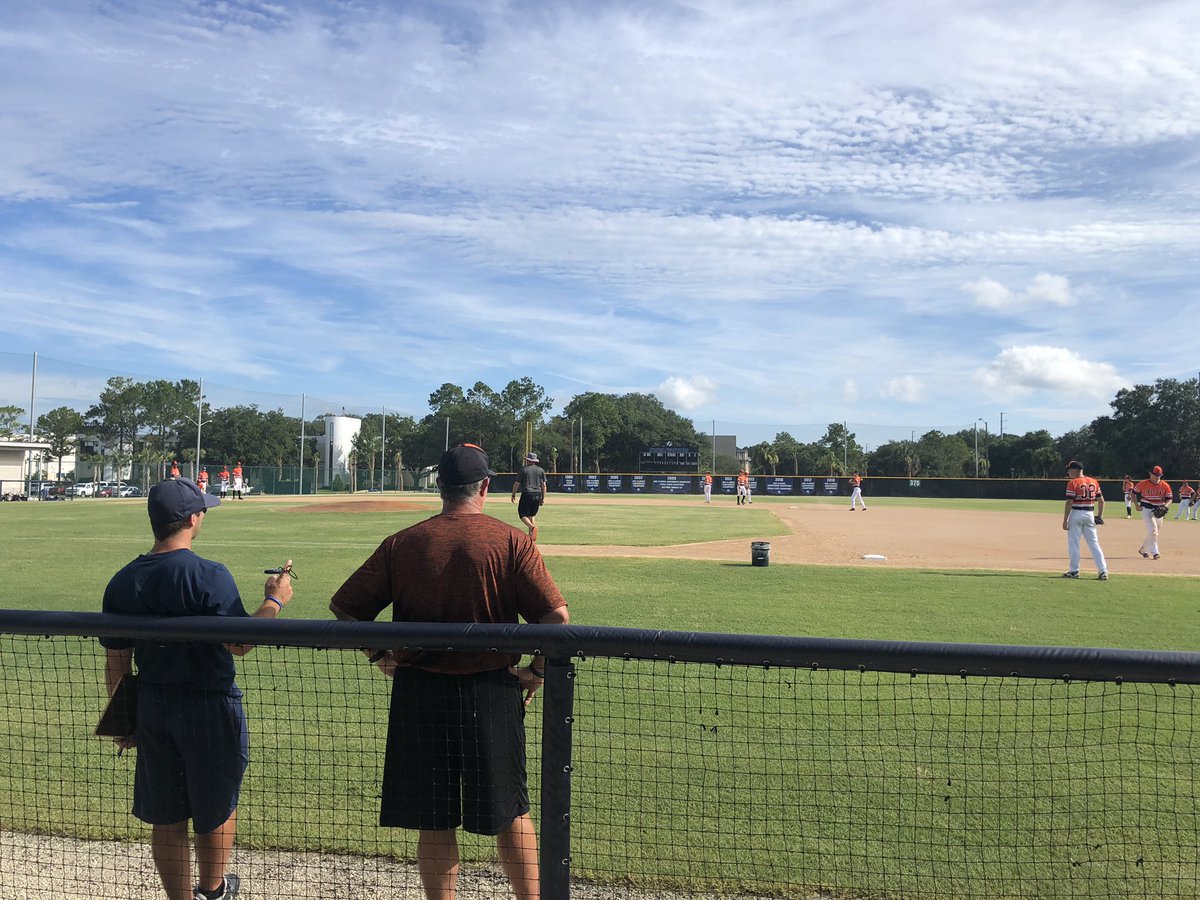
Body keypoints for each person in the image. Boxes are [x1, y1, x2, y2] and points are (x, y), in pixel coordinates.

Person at [330, 443, 568, 900]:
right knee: (511, 811)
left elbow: (345, 609)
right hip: (492, 695)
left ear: (439, 486)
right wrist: (538, 670)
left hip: (419, 695)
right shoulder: (511, 540)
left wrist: (378, 656)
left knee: (434, 817)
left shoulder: (403, 542)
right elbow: (556, 619)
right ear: (484, 486)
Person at [100, 478, 294, 900]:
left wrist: (125, 718)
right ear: (192, 518)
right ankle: (213, 889)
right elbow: (241, 643)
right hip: (209, 707)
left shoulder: (122, 581)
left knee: (166, 814)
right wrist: (275, 600)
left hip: (153, 706)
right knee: (217, 804)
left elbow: (116, 663)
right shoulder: (209, 575)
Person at [1061, 460, 1108, 580]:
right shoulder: (1094, 482)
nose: (1068, 472)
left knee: (1074, 544)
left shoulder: (1073, 483)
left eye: (1069, 469)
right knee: (1094, 544)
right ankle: (1103, 571)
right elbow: (1101, 501)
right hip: (1090, 514)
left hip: (1076, 513)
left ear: (1076, 470)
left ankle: (1074, 571)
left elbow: (1069, 502)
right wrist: (1099, 516)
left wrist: (1065, 520)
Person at [1132, 465, 1172, 560]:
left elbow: (1169, 499)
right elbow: (1133, 493)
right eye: (1155, 475)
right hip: (1147, 508)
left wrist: (1165, 506)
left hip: (1159, 510)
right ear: (1150, 473)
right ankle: (1155, 552)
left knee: (1155, 532)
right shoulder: (1143, 484)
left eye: (1159, 475)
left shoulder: (1165, 485)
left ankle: (1143, 549)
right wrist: (1136, 505)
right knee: (1153, 530)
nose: (1157, 477)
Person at [510, 451, 547, 541]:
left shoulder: (524, 470)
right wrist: (542, 498)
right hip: (537, 494)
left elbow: (517, 483)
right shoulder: (541, 470)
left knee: (522, 514)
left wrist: (513, 493)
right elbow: (544, 486)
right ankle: (531, 538)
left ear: (528, 460)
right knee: (532, 514)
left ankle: (532, 527)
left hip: (527, 493)